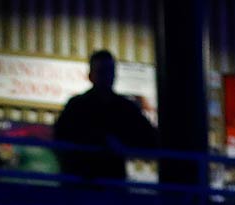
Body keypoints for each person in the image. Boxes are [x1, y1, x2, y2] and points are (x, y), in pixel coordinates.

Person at [51, 51, 158, 183]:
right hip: (85, 182)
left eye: (110, 71)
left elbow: (150, 139)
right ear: (91, 76)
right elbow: (60, 138)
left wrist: (124, 145)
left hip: (100, 182)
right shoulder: (77, 106)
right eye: (102, 71)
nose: (107, 77)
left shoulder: (125, 108)